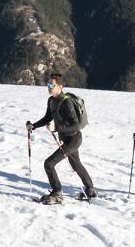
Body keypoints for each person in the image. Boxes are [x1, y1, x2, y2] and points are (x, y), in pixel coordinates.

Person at [27, 72, 96, 204]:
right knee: (76, 164)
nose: (48, 87)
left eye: (51, 85)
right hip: (65, 139)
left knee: (49, 164)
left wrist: (56, 128)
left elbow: (75, 126)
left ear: (60, 86)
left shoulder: (67, 103)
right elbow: (48, 117)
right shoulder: (51, 100)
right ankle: (90, 189)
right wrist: (33, 126)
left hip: (74, 139)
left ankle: (57, 193)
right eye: (47, 84)